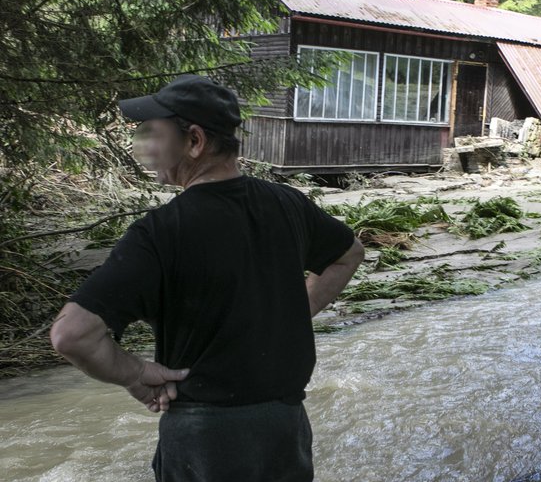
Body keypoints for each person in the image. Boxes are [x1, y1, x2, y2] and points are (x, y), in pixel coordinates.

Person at [50, 74, 364, 481]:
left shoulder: (160, 232)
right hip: (285, 427)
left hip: (205, 437)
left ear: (194, 141)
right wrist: (293, 311)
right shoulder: (288, 203)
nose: (146, 148)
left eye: (155, 134)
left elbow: (71, 335)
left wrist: (134, 374)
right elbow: (349, 254)